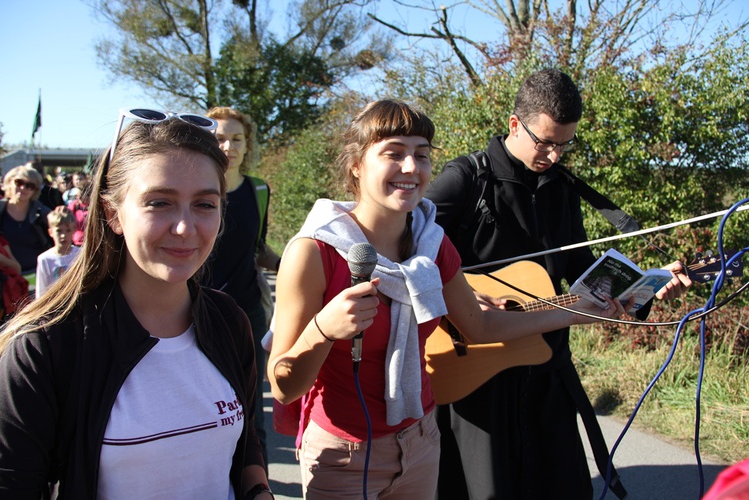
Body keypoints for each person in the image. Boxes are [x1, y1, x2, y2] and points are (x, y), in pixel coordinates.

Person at [267, 99, 629, 499]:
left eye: (421, 155)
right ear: (356, 164)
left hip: (421, 442)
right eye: (393, 153)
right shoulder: (314, 253)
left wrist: (577, 310)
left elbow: (482, 326)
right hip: (343, 456)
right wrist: (323, 329)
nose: (411, 168)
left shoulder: (431, 244)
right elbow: (283, 387)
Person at [425, 68, 692, 499]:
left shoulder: (560, 190)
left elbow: (584, 271)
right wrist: (463, 293)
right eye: (545, 142)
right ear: (516, 124)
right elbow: (404, 243)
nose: (553, 156)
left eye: (564, 145)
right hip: (475, 374)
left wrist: (645, 289)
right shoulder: (467, 178)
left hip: (546, 366)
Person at [0, 111, 273, 500]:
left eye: (205, 205)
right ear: (113, 214)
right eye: (159, 202)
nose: (185, 227)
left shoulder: (230, 321)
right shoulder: (47, 344)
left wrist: (259, 489)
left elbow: (247, 446)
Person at [204, 106, 282, 470]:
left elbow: (258, 248)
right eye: (219, 138)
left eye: (236, 139)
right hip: (195, 313)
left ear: (247, 144)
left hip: (247, 313)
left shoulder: (259, 190)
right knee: (205, 408)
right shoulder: (195, 189)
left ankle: (256, 486)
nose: (228, 146)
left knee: (250, 413)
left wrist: (295, 266)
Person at [0, 164, 53, 274]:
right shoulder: (0, 209)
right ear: (9, 182)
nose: (23, 188)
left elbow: (62, 227)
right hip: (4, 276)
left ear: (35, 190)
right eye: (19, 182)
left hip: (36, 273)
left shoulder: (41, 212)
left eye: (30, 186)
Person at [35, 206, 80, 297]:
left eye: (68, 230)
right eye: (59, 231)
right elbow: (41, 290)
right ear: (51, 232)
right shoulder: (45, 259)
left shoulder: (80, 254)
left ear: (74, 231)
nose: (63, 235)